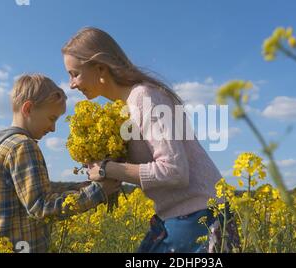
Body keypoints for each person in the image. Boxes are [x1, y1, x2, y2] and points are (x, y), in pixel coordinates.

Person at [62, 27, 239, 252]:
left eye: (74, 73)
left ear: (100, 68)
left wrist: (107, 168)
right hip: (178, 216)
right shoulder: (126, 108)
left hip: (199, 217)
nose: (71, 84)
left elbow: (174, 171)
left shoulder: (145, 97)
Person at [0, 74, 121, 253]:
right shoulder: (23, 146)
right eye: (52, 118)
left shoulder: (6, 143)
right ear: (28, 108)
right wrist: (99, 191)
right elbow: (41, 207)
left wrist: (81, 187)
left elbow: (34, 195)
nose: (53, 128)